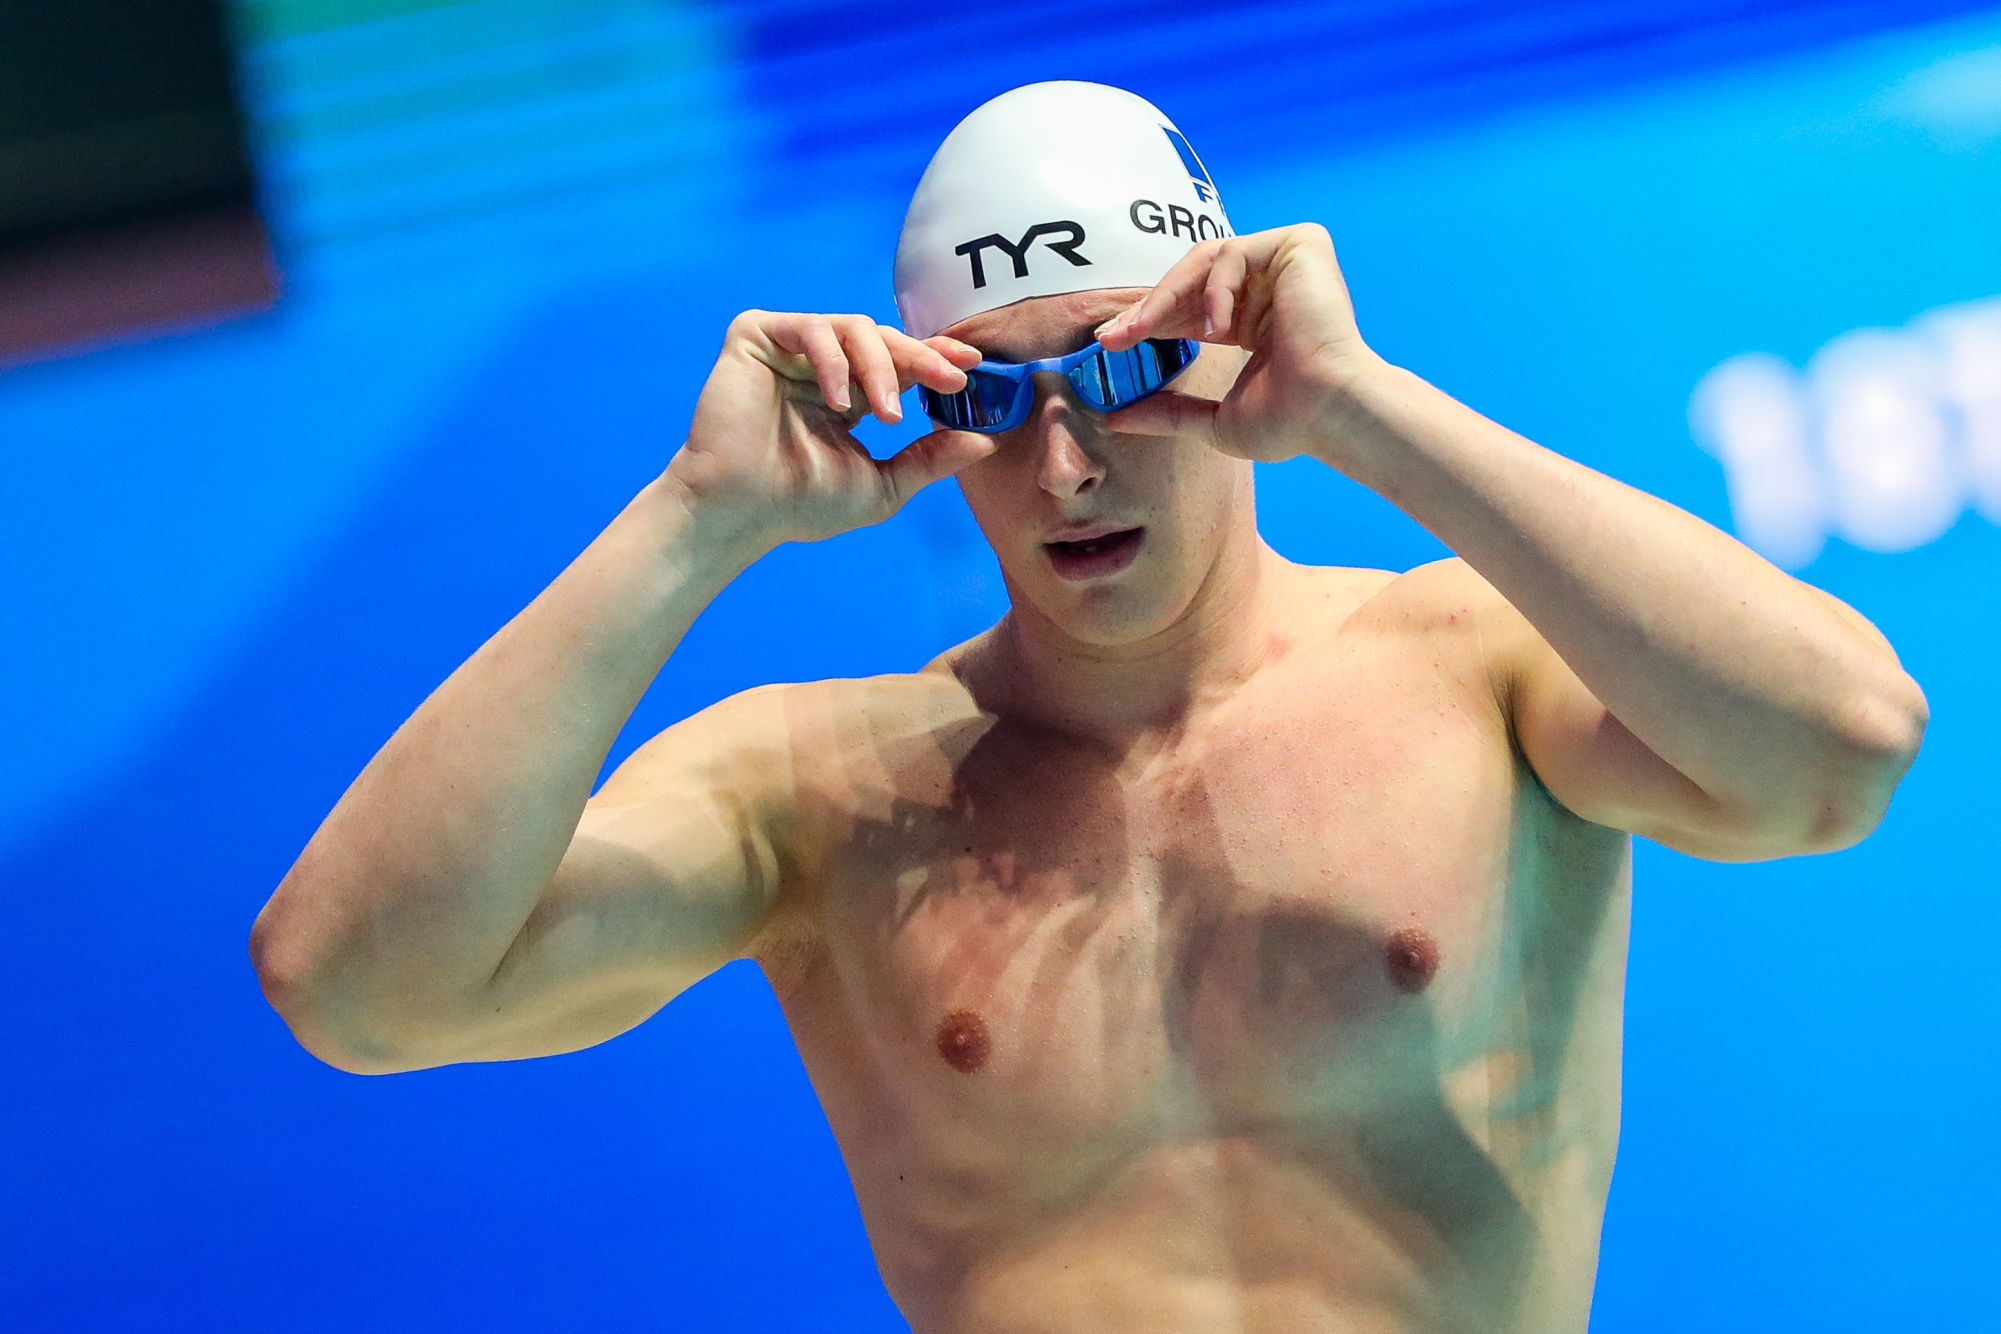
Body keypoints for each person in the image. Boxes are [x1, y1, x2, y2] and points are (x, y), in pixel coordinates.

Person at [250, 82, 1926, 1331]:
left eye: (1118, 374)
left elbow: (1840, 745)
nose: (1064, 463)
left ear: (1220, 346)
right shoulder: (824, 792)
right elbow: (356, 989)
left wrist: (1359, 406)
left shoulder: (1473, 668)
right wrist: (695, 516)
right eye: (993, 400)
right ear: (923, 408)